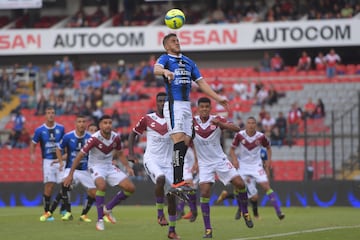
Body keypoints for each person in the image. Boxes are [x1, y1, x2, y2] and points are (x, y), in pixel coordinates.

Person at [153, 33, 228, 190]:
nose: (177, 43)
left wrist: (218, 98)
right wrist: (165, 72)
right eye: (173, 41)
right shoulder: (165, 58)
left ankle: (176, 178)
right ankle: (177, 179)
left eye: (178, 40)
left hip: (187, 105)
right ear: (166, 46)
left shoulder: (189, 62)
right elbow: (156, 69)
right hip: (174, 104)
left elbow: (201, 83)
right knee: (179, 138)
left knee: (187, 139)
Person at [192, 97, 253, 238]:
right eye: (202, 107)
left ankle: (245, 212)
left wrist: (221, 124)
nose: (205, 109)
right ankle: (208, 229)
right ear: (198, 108)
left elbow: (237, 129)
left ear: (210, 108)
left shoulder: (217, 119)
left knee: (240, 183)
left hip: (220, 160)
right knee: (205, 192)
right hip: (205, 164)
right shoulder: (191, 122)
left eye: (207, 107)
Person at [63, 115, 135, 231]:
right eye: (105, 123)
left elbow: (120, 153)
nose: (108, 125)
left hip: (109, 166)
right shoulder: (94, 139)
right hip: (95, 166)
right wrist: (70, 174)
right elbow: (79, 156)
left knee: (130, 188)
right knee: (101, 186)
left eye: (110, 123)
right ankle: (100, 220)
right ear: (100, 125)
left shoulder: (115, 137)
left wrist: (127, 167)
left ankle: (108, 208)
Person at [127, 92, 181, 239]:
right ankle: (159, 214)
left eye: (165, 101)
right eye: (160, 101)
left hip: (168, 163)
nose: (163, 103)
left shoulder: (175, 120)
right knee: (161, 178)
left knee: (171, 197)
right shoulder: (148, 118)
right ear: (156, 103)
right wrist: (131, 153)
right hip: (152, 159)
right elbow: (132, 134)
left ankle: (172, 230)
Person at [229, 116, 285, 220]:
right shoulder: (240, 135)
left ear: (256, 125)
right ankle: (240, 208)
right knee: (237, 186)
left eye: (253, 123)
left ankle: (279, 211)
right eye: (249, 123)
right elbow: (232, 150)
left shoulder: (261, 137)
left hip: (256, 166)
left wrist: (268, 162)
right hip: (243, 166)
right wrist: (235, 159)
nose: (251, 125)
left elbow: (268, 148)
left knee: (266, 186)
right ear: (246, 124)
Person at [54, 115, 97, 222]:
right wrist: (60, 162)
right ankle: (68, 212)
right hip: (70, 167)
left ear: (86, 124)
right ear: (76, 123)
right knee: (65, 183)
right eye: (79, 121)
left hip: (85, 169)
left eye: (83, 121)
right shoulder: (68, 136)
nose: (82, 124)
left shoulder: (91, 138)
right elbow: (59, 149)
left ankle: (84, 215)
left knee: (94, 192)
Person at [30, 106, 65, 221]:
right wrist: (32, 154)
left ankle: (64, 208)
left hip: (60, 160)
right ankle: (47, 211)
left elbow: (65, 143)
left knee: (66, 184)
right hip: (48, 161)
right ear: (45, 115)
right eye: (48, 112)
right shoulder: (39, 130)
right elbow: (33, 143)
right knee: (49, 186)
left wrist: (65, 158)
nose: (51, 115)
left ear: (55, 114)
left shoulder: (61, 128)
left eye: (53, 113)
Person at [217, 147, 269, 219]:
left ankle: (228, 197)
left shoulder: (260, 151)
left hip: (252, 174)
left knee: (244, 195)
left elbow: (264, 162)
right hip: (244, 174)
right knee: (253, 196)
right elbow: (235, 159)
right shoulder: (243, 149)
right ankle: (253, 215)